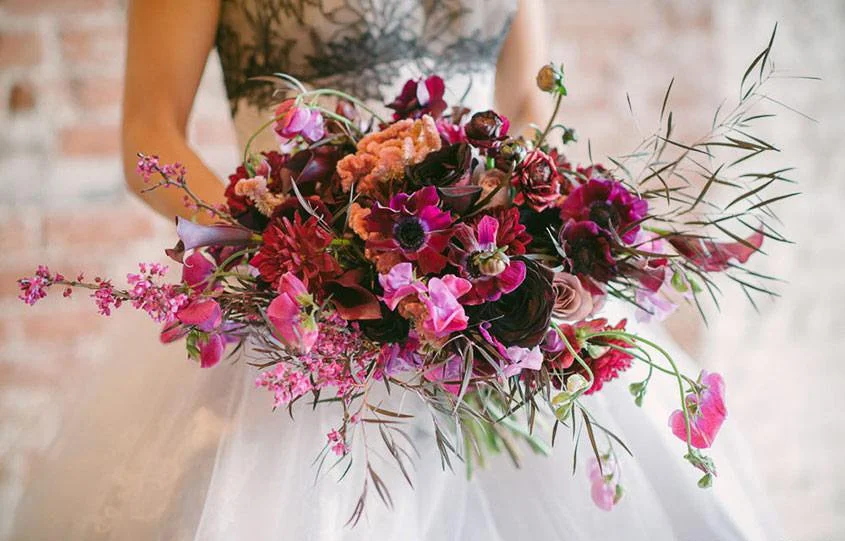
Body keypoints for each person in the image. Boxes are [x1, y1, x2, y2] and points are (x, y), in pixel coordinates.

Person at [10, 1, 782, 539]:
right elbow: (150, 132)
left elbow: (522, 97)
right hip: (301, 307)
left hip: (483, 291)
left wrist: (525, 235)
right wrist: (285, 246)